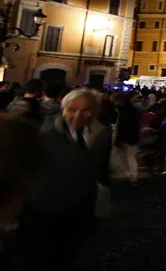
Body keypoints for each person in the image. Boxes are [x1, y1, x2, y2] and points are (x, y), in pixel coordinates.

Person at [13, 88, 111, 270]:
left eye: (86, 111)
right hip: (44, 213)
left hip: (79, 212)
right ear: (63, 109)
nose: (78, 116)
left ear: (94, 112)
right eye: (72, 110)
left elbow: (99, 170)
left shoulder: (102, 134)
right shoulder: (46, 135)